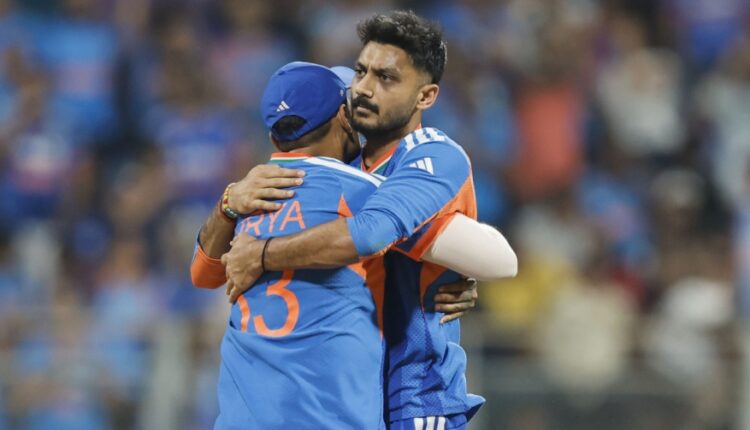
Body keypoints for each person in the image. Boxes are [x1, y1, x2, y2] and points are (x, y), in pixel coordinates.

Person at [221, 11, 515, 430]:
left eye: (386, 78)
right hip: (355, 400)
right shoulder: (347, 167)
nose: (363, 88)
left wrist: (262, 254)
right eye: (361, 72)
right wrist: (231, 199)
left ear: (426, 97)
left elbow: (498, 259)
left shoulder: (431, 155)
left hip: (417, 397)